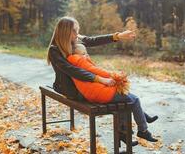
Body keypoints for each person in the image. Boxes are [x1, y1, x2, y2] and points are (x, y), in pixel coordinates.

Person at [47, 16, 158, 144]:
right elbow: (73, 70)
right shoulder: (54, 50)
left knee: (123, 97)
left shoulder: (75, 41)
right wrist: (99, 79)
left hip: (88, 85)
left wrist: (118, 36)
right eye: (74, 31)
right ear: (66, 32)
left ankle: (124, 133)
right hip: (74, 91)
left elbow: (93, 40)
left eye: (77, 30)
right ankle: (140, 126)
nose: (77, 34)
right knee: (126, 99)